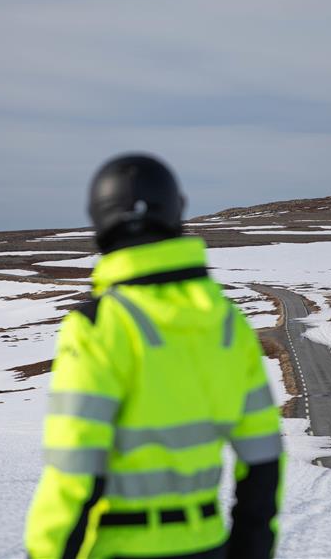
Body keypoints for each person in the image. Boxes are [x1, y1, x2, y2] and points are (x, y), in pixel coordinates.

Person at [24, 153, 284, 559]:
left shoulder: (99, 324)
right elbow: (263, 455)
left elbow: (75, 465)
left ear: (100, 220)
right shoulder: (226, 322)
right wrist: (252, 548)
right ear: (175, 211)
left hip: (116, 547)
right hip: (206, 543)